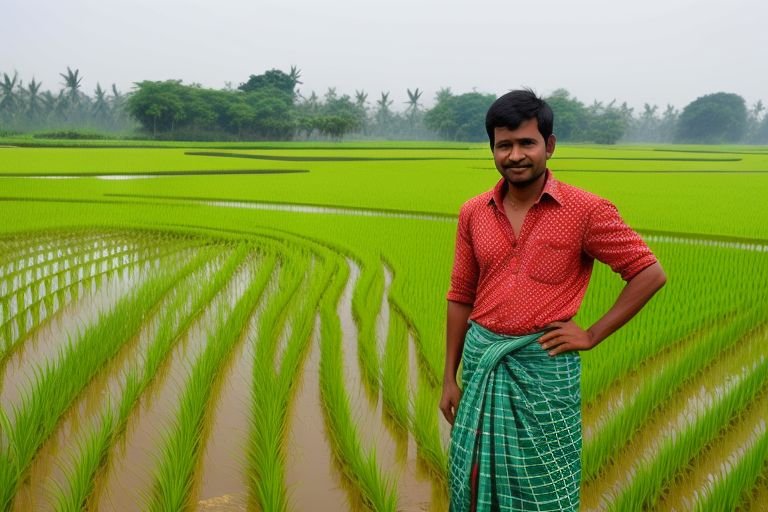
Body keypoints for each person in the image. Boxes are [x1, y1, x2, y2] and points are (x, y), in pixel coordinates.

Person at [439, 89, 666, 512]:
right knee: (472, 476)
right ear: (492, 148)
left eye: (527, 142)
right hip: (482, 361)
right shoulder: (474, 212)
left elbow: (649, 273)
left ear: (550, 145)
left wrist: (593, 333)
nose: (515, 155)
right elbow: (460, 295)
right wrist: (449, 376)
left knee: (545, 484)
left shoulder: (586, 210)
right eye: (503, 144)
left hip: (544, 369)